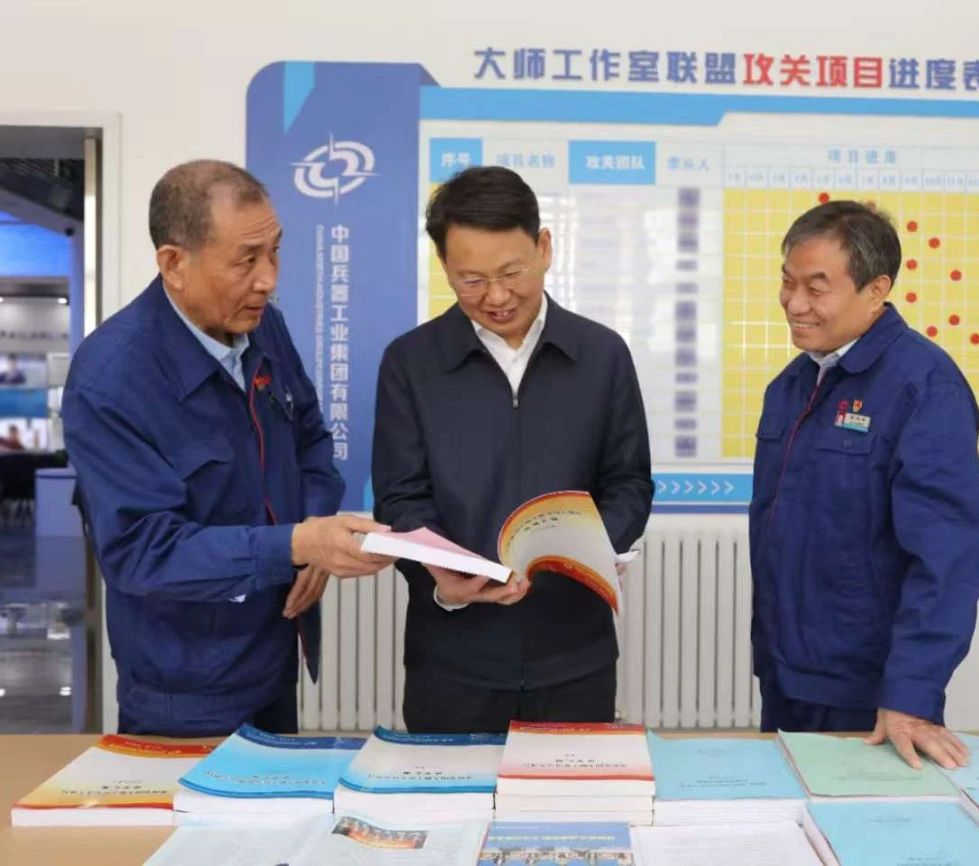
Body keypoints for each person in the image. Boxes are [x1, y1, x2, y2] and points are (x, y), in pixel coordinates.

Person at [63, 160, 393, 736]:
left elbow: (311, 440)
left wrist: (313, 541)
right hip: (183, 685)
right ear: (175, 264)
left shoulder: (263, 327)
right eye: (246, 260)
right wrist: (295, 544)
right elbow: (142, 551)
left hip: (273, 656)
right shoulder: (111, 378)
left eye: (275, 252)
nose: (268, 279)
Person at [373, 165, 654, 733]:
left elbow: (629, 481)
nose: (497, 297)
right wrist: (442, 576)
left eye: (511, 273)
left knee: (571, 793)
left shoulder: (601, 356)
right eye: (472, 280)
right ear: (445, 267)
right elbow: (401, 497)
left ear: (544, 248)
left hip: (575, 656)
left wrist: (594, 548)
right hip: (451, 661)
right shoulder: (411, 363)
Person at [749, 200, 979, 770]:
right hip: (788, 675)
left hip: (873, 693)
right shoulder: (791, 385)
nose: (795, 303)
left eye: (816, 288)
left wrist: (911, 693)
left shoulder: (923, 387)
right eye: (787, 282)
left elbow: (947, 558)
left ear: (876, 289)